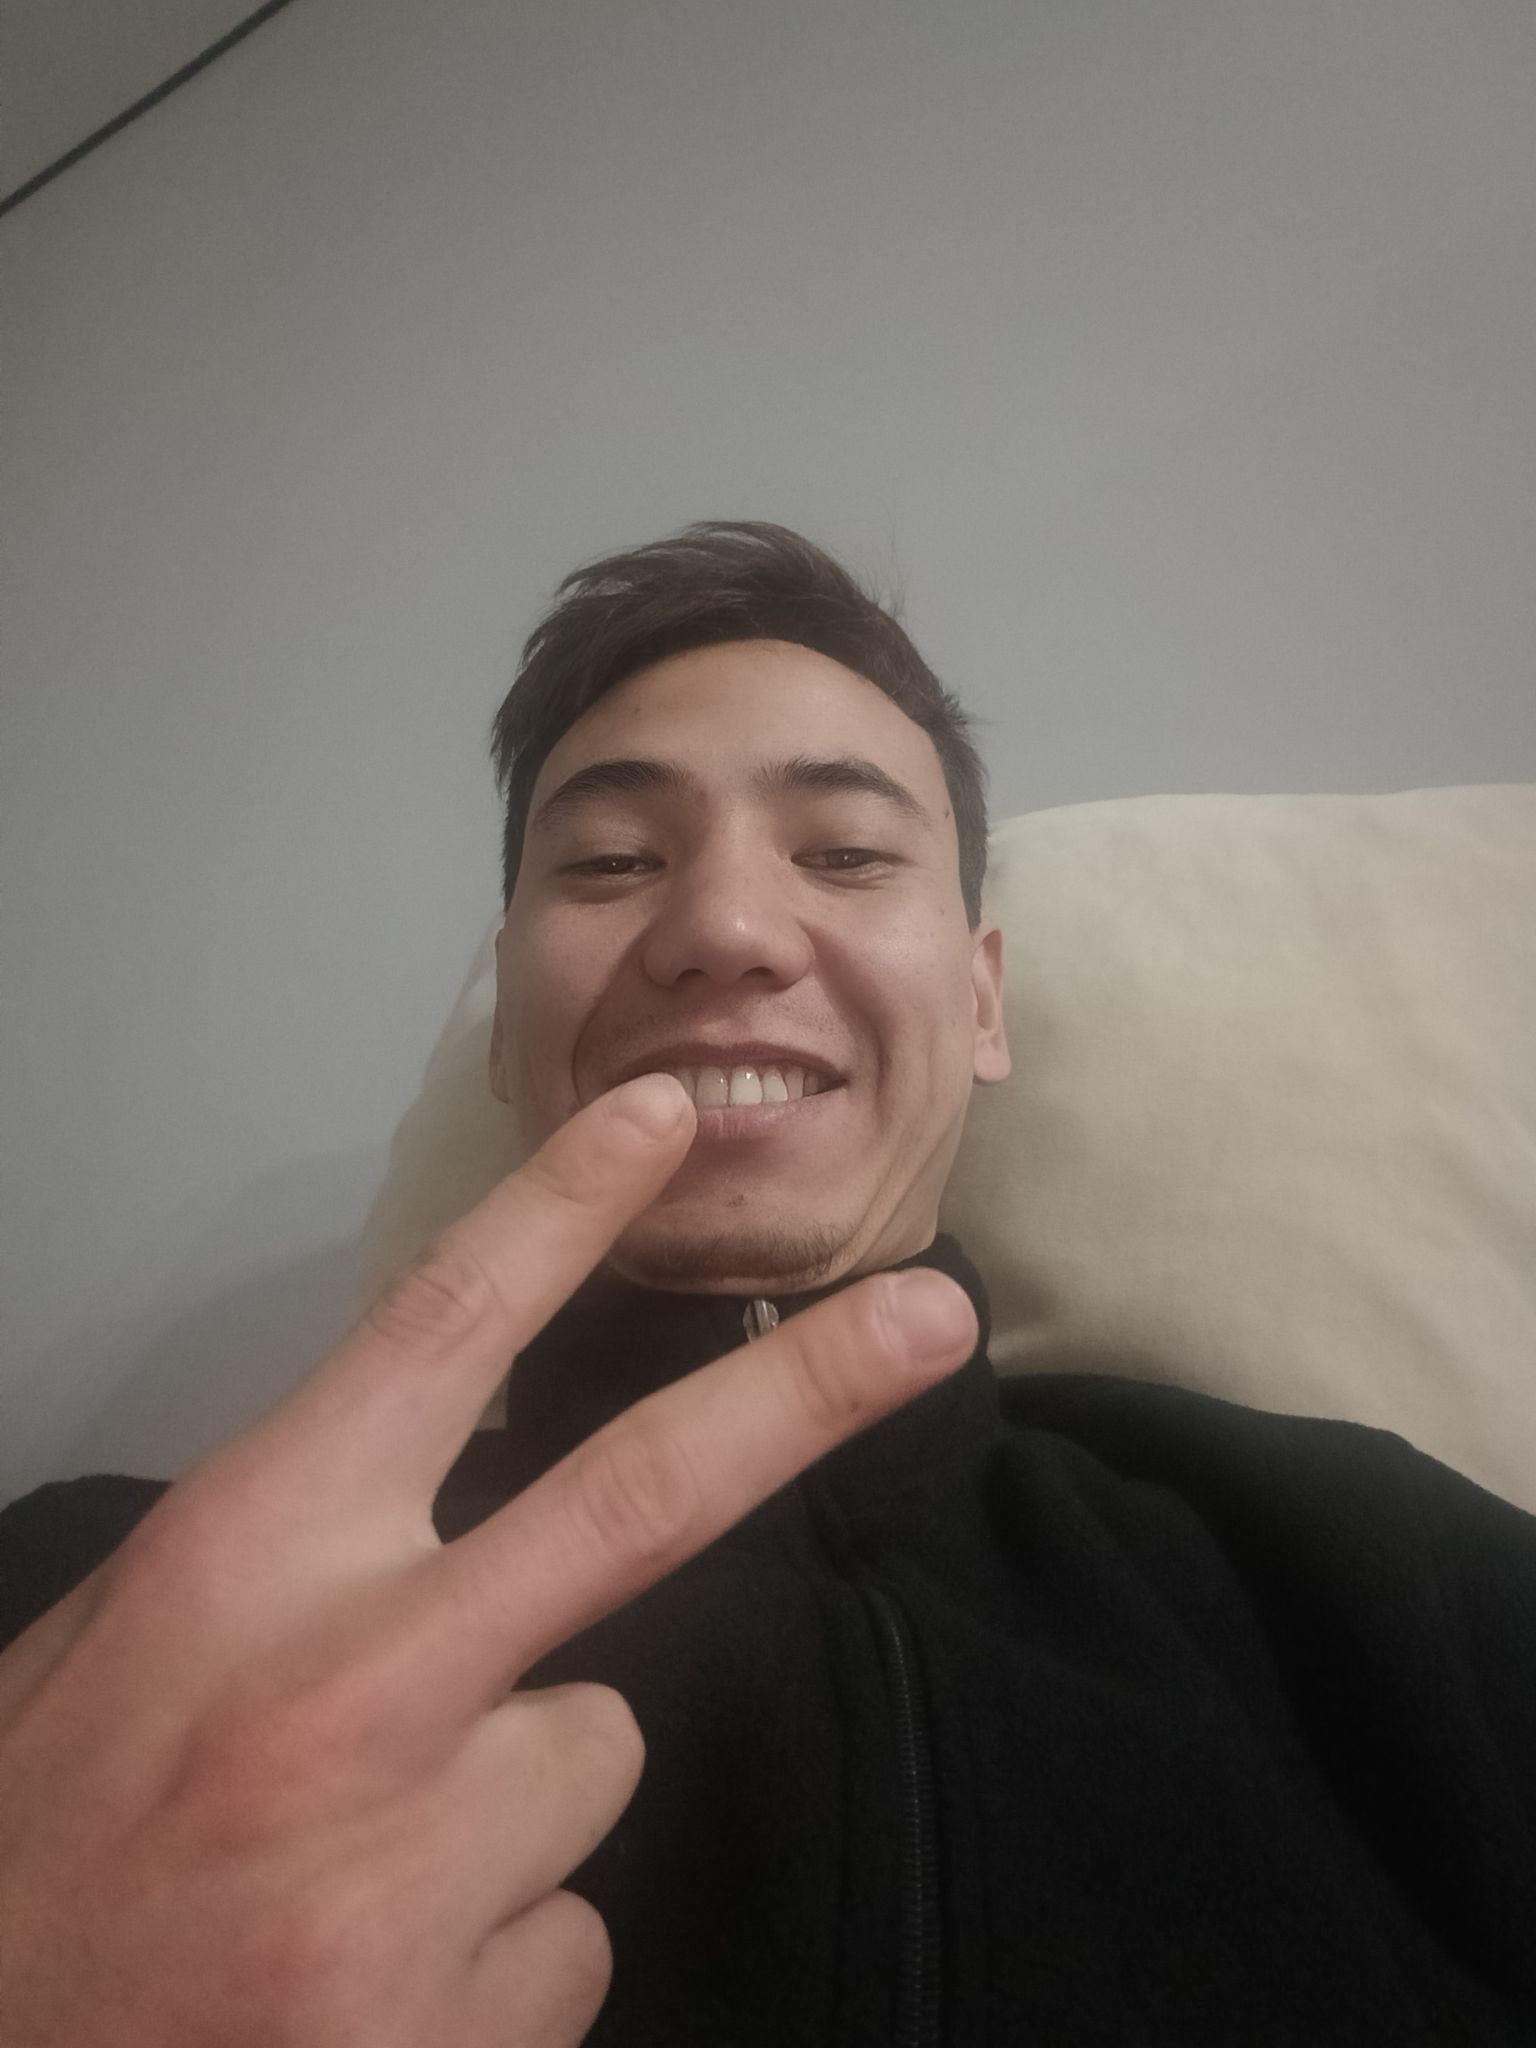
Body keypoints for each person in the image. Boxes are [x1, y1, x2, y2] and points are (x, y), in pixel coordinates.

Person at [0, 520, 1532, 2046]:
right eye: (612, 861)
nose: (724, 930)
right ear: (504, 1023)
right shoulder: (96, 1623)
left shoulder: (1376, 1564)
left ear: (982, 1003)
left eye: (846, 853)